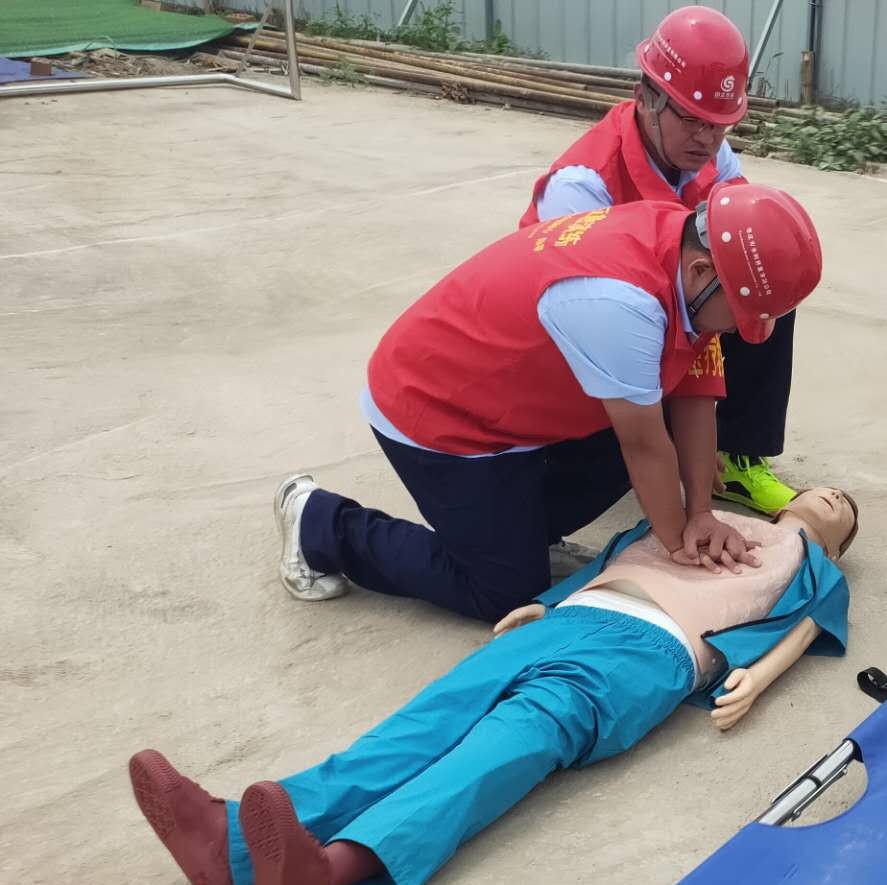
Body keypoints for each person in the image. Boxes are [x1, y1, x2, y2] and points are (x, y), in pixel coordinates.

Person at [130, 488, 857, 885]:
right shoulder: (702, 510)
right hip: (575, 616)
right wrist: (547, 602)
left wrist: (754, 679)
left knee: (511, 743)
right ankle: (232, 844)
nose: (829, 497)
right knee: (427, 720)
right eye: (827, 491)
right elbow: (612, 561)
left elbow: (800, 631)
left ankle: (327, 869)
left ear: (839, 544)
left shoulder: (814, 565)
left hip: (652, 652)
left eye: (842, 510)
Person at [278, 183, 823, 623]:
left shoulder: (683, 249)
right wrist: (680, 544)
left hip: (517, 401)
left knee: (644, 433)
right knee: (504, 592)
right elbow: (643, 445)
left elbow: (695, 394)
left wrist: (699, 511)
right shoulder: (619, 301)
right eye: (741, 313)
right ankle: (320, 524)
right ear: (702, 272)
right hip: (439, 411)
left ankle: (523, 532)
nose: (740, 331)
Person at [522, 4, 804, 516]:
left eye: (720, 125)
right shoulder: (582, 187)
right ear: (644, 99)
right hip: (581, 338)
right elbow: (593, 317)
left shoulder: (710, 151)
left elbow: (739, 252)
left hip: (666, 307)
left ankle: (736, 455)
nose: (707, 139)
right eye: (691, 120)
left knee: (761, 285)